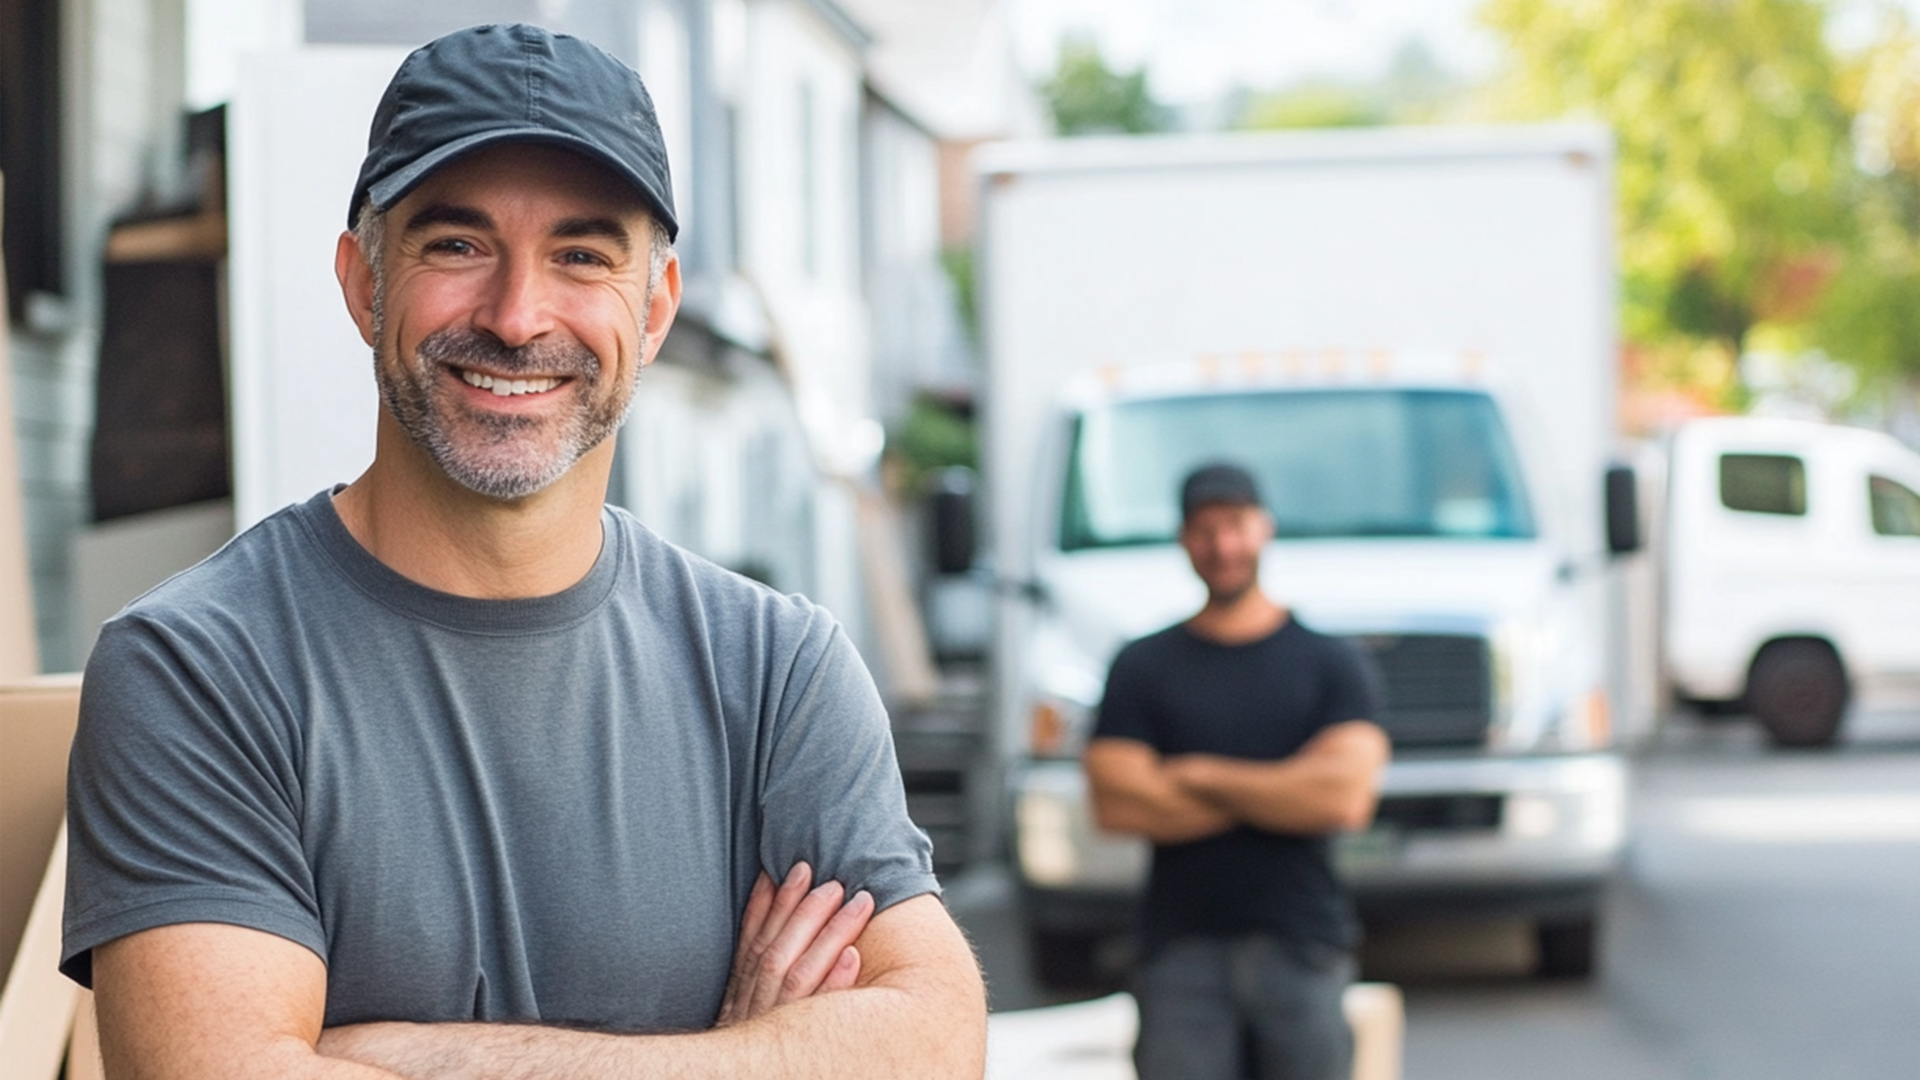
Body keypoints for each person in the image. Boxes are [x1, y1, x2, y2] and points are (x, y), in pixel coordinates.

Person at [60, 23, 984, 1079]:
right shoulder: (200, 669)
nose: (515, 315)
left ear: (657, 306)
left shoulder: (775, 674)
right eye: (456, 246)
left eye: (582, 256)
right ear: (364, 283)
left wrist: (420, 1056)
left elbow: (936, 1043)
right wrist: (751, 1056)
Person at [1083, 461, 1390, 1080]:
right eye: (1204, 529)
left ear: (1264, 529)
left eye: (1236, 525)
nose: (1223, 546)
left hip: (1303, 946)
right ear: (1182, 539)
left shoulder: (1331, 663)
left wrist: (1193, 775)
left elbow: (1342, 799)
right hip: (1179, 953)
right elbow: (1117, 803)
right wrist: (1283, 787)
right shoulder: (1142, 666)